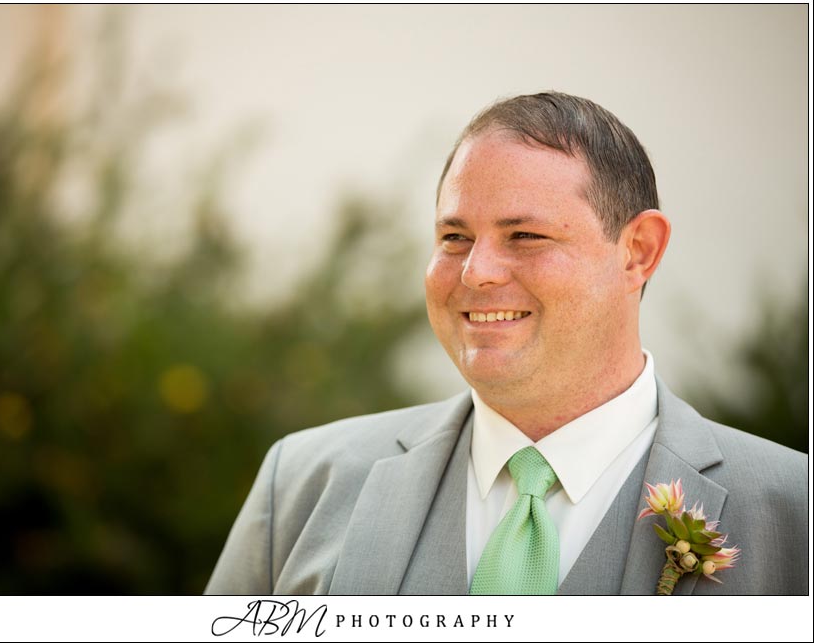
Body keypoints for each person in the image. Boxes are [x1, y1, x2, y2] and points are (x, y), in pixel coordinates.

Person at [204, 91, 807, 595]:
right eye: (454, 236)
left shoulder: (794, 513)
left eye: (524, 234)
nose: (477, 272)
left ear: (638, 251)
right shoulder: (302, 485)